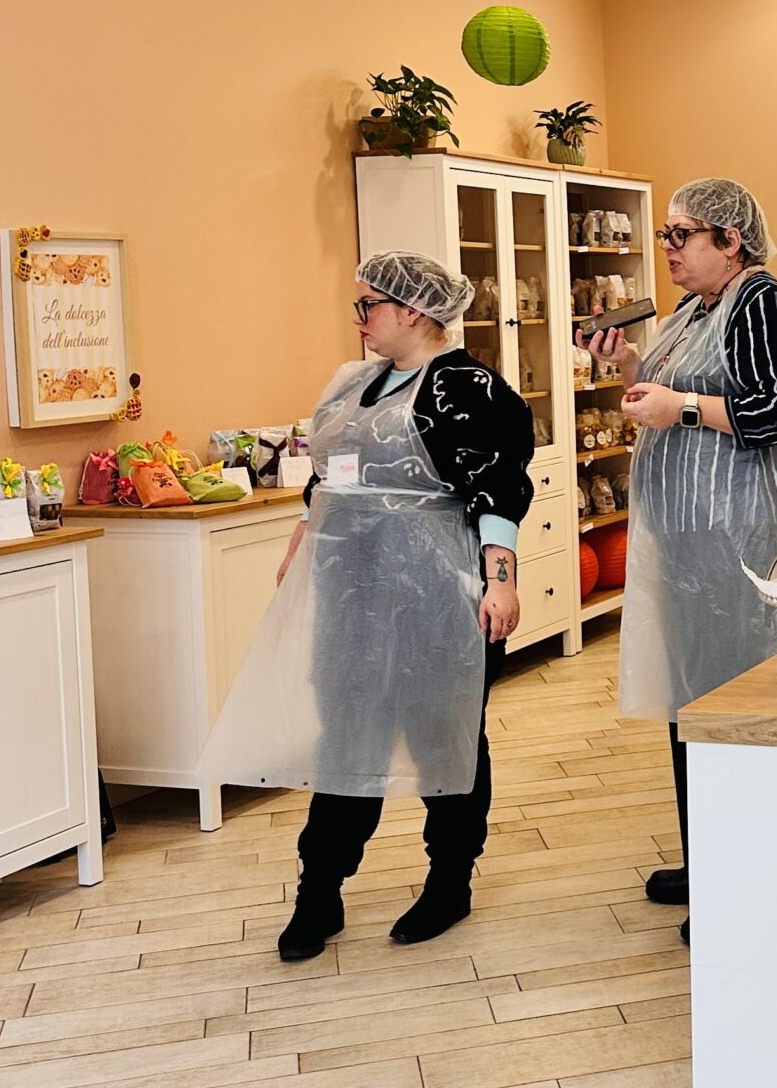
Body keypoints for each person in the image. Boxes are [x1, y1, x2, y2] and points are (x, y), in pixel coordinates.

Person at [205, 250, 533, 962]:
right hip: (352, 592)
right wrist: (300, 542)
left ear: (411, 311)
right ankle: (319, 891)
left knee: (445, 739)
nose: (357, 319)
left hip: (440, 596)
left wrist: (501, 580)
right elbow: (326, 479)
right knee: (347, 735)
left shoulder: (467, 387)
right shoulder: (353, 384)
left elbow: (500, 489)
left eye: (367, 305)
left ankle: (449, 880)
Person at [584, 178, 777, 941]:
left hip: (746, 542)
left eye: (681, 234)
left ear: (731, 240)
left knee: (741, 708)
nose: (667, 248)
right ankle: (709, 859)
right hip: (693, 542)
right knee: (694, 703)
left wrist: (680, 407)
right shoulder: (694, 309)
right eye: (665, 234)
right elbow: (670, 395)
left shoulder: (764, 302)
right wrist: (630, 368)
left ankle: (751, 878)